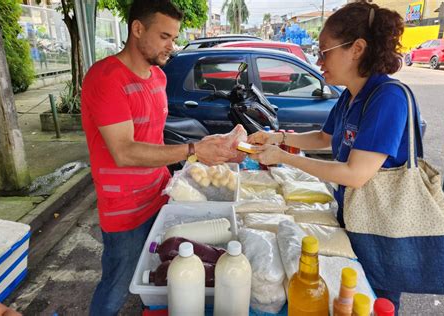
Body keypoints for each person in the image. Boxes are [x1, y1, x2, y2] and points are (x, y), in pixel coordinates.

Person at [248, 1, 417, 313]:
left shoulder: (387, 98)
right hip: (352, 218)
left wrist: (285, 159)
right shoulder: (350, 96)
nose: (317, 59)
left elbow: (356, 174)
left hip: (382, 232)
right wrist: (279, 138)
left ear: (357, 49)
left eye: (324, 51)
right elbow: (325, 139)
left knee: (367, 301)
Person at [81, 1, 236, 315]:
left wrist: (197, 156)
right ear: (137, 29)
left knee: (158, 275)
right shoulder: (106, 78)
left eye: (174, 37)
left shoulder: (158, 78)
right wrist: (193, 151)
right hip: (125, 211)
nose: (172, 45)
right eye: (164, 36)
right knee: (116, 286)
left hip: (160, 196)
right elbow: (124, 151)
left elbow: (153, 138)